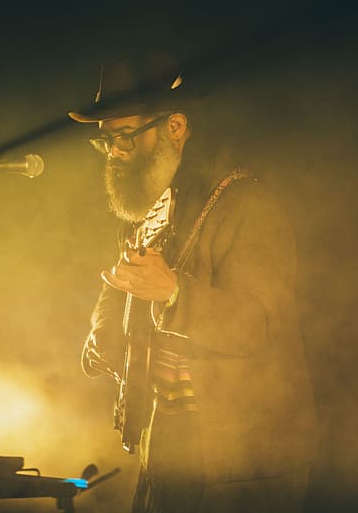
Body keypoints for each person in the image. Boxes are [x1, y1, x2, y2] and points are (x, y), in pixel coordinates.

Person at [69, 52, 318, 513]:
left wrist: (175, 294)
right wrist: (104, 330)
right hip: (166, 454)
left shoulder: (247, 206)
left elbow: (259, 325)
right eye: (106, 142)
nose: (116, 153)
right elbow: (119, 281)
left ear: (175, 127)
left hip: (241, 467)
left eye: (125, 137)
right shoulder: (152, 202)